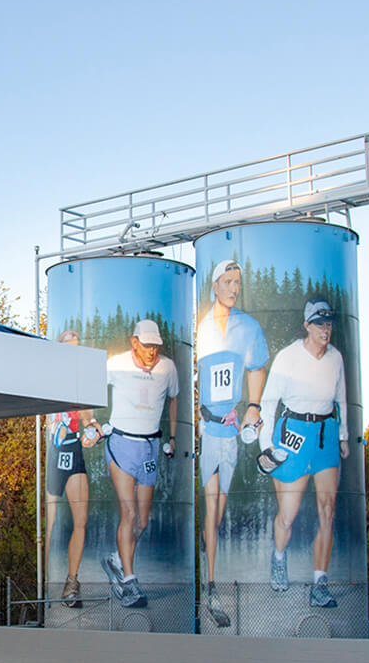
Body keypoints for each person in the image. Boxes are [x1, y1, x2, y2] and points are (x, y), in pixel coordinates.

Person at [255, 300, 348, 608]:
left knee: (327, 509)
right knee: (288, 514)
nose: (326, 329)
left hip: (326, 434)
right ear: (307, 325)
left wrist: (343, 436)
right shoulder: (288, 357)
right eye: (320, 323)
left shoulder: (336, 358)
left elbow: (342, 400)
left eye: (329, 323)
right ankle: (279, 557)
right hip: (292, 433)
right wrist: (266, 447)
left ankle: (320, 581)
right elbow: (268, 402)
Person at [194, 260, 267, 627]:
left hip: (231, 430)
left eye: (238, 282)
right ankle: (210, 585)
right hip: (207, 432)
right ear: (215, 285)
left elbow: (257, 369)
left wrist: (253, 406)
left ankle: (210, 555)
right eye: (227, 281)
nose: (234, 288)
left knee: (219, 509)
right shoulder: (199, 326)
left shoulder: (248, 327)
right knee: (211, 506)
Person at [99, 319, 179, 609]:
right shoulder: (116, 363)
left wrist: (171, 435)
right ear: (134, 342)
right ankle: (129, 582)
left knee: (142, 521)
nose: (152, 351)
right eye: (147, 345)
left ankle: (117, 560)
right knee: (129, 513)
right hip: (121, 444)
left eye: (155, 346)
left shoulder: (167, 368)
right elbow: (88, 384)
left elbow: (174, 398)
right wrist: (92, 422)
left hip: (150, 447)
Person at [45, 329, 100, 608]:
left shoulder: (83, 379)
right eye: (69, 347)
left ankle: (71, 582)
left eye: (77, 348)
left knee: (81, 520)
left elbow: (88, 414)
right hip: (54, 454)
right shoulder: (50, 375)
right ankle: (45, 582)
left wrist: (93, 428)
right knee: (50, 523)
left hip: (73, 450)